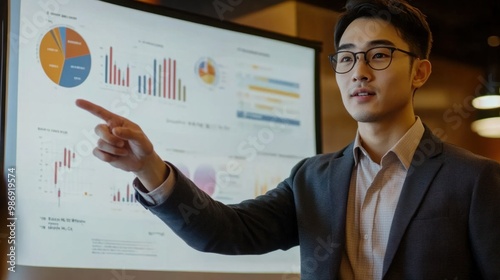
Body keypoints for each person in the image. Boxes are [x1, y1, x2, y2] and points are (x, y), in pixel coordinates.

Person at [76, 0, 500, 278]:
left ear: (419, 73)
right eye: (347, 57)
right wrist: (149, 169)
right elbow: (224, 231)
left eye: (380, 54)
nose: (360, 71)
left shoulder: (475, 179)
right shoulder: (312, 179)